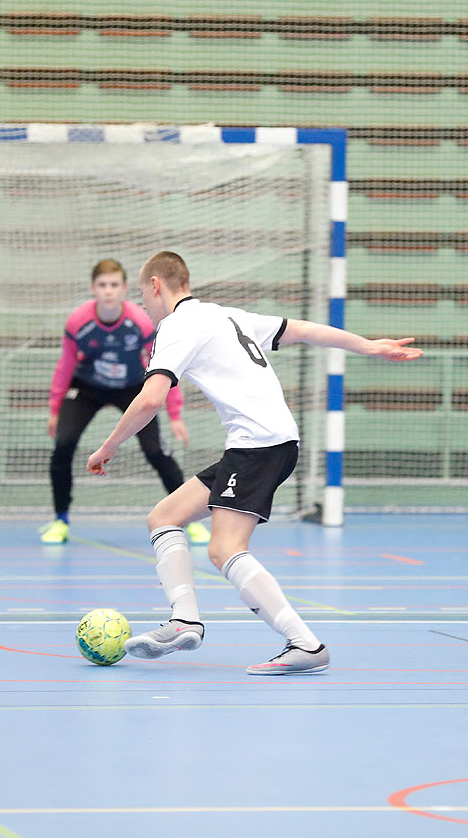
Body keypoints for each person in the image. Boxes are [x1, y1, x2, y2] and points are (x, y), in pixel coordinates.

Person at [86, 251, 423, 675]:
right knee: (164, 516)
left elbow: (151, 398)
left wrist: (109, 446)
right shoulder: (227, 315)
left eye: (142, 293)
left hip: (258, 445)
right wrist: (367, 345)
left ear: (156, 284)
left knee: (225, 548)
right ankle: (184, 620)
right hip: (267, 442)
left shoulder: (177, 324)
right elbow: (301, 330)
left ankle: (305, 644)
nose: (145, 305)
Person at [40, 259, 208, 545]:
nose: (108, 291)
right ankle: (60, 520)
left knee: (156, 451)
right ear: (94, 288)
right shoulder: (78, 322)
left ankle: (187, 518)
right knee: (63, 445)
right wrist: (55, 411)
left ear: (125, 289)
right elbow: (65, 367)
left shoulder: (140, 322)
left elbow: (165, 365)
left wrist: (175, 414)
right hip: (87, 388)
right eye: (103, 285)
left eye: (114, 285)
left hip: (131, 387)